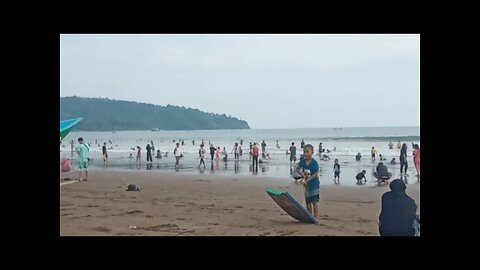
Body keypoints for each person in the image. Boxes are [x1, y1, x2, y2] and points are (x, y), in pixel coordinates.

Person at [297, 144, 320, 219]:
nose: (305, 153)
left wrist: (307, 180)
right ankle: (309, 215)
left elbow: (316, 174)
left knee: (314, 201)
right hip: (306, 186)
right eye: (304, 152)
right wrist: (302, 175)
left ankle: (316, 216)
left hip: (314, 185)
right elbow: (297, 169)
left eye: (307, 152)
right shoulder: (302, 162)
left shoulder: (314, 163)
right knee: (307, 201)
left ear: (312, 152)